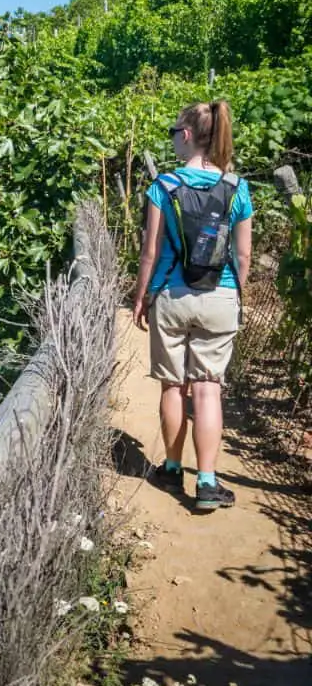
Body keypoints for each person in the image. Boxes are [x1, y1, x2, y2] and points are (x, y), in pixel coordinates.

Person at [131, 100, 253, 511]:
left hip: (171, 294)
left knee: (172, 385)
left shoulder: (162, 187)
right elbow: (244, 255)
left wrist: (141, 296)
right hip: (220, 297)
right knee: (207, 389)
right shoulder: (238, 187)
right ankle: (206, 481)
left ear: (186, 136)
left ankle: (170, 467)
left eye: (174, 133)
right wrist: (236, 293)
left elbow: (149, 253)